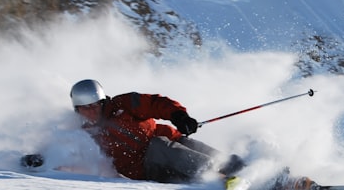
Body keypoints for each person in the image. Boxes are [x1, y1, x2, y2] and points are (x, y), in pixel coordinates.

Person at [68, 79, 246, 184]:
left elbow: (155, 103)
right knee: (157, 146)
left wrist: (179, 116)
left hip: (172, 144)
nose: (91, 111)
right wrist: (42, 158)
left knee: (195, 148)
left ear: (103, 102)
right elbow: (60, 148)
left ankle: (249, 172)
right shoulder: (81, 133)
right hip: (149, 168)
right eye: (85, 108)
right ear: (77, 110)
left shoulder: (123, 104)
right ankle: (216, 176)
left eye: (94, 106)